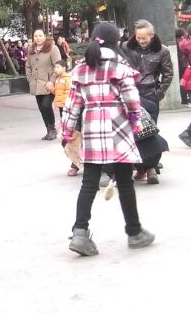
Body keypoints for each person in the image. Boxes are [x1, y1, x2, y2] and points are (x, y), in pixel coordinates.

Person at [61, 22, 155, 256]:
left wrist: (67, 131)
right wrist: (136, 121)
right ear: (115, 42)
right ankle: (134, 232)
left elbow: (72, 105)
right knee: (125, 182)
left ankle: (79, 233)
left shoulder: (81, 68)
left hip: (92, 125)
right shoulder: (120, 66)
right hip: (118, 127)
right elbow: (132, 100)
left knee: (89, 183)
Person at [120, 19, 175, 119]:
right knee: (132, 125)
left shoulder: (162, 51)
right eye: (138, 38)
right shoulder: (126, 47)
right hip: (129, 92)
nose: (141, 41)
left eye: (144, 38)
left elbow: (168, 74)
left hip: (150, 93)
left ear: (151, 35)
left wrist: (159, 92)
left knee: (150, 126)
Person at [28, 29, 64, 141]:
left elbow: (58, 65)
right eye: (36, 36)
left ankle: (53, 129)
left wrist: (52, 81)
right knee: (41, 108)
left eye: (40, 35)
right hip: (36, 83)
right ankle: (49, 130)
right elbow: (28, 66)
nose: (38, 38)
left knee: (46, 105)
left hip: (49, 84)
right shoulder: (31, 49)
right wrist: (29, 78)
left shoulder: (52, 48)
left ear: (45, 36)